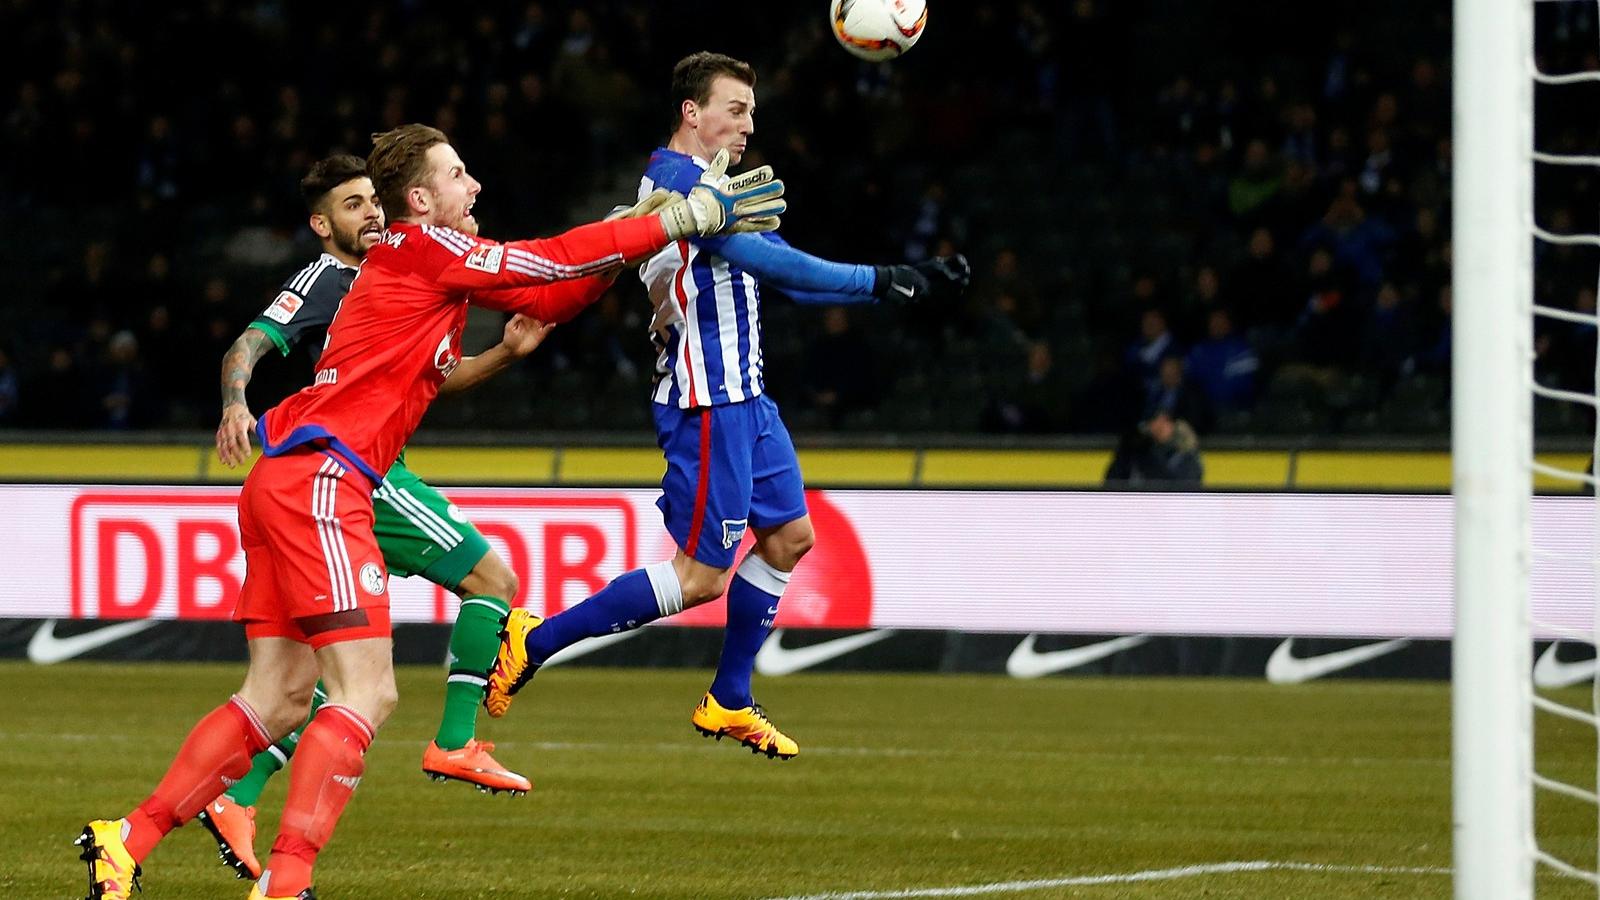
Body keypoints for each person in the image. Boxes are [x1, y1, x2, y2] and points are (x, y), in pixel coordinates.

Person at [76, 123, 781, 900]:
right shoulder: (422, 249)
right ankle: (286, 885)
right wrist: (669, 219)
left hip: (293, 475)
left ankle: (126, 839)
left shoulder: (426, 269)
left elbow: (549, 290)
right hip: (323, 480)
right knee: (367, 693)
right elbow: (543, 258)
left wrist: (635, 234)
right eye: (459, 175)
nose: (474, 186)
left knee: (276, 696)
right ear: (420, 199)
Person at [483, 52, 969, 760]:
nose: (747, 127)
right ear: (692, 112)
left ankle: (730, 699)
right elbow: (775, 265)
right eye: (735, 110)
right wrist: (886, 278)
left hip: (747, 395)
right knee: (701, 577)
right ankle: (538, 638)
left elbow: (790, 278)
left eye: (751, 113)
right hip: (708, 398)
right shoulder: (679, 183)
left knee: (790, 539)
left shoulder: (714, 184)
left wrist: (900, 286)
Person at [196, 154, 554, 884]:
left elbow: (436, 378)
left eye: (372, 200)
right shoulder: (327, 279)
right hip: (337, 467)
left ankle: (240, 792)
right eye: (351, 205)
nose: (370, 214)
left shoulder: (402, 267)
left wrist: (503, 355)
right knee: (493, 577)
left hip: (362, 466)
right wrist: (237, 399)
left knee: (335, 673)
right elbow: (250, 342)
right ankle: (454, 742)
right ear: (322, 224)